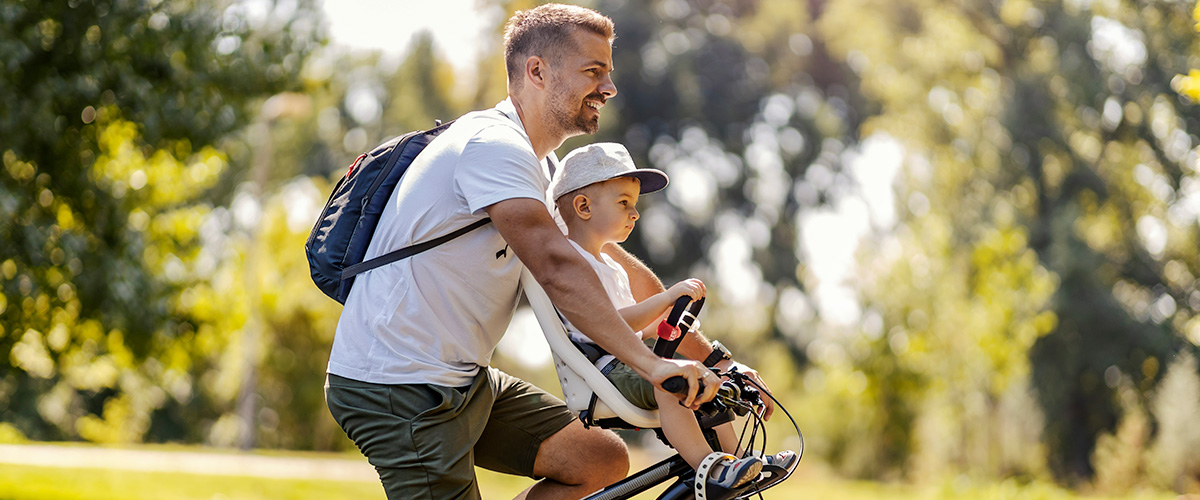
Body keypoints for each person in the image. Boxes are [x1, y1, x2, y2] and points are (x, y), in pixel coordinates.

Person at [324, 4, 771, 500]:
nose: (609, 88)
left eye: (609, 73)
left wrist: (719, 362)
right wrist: (652, 366)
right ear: (537, 71)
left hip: (462, 380)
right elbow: (557, 268)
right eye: (593, 71)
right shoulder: (493, 148)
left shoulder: (541, 168)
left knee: (597, 458)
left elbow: (602, 259)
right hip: (398, 385)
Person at [550, 142, 797, 490]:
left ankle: (741, 461)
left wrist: (669, 320)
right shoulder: (572, 265)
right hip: (604, 372)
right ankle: (710, 470)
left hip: (628, 361)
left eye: (635, 206)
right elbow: (612, 323)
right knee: (674, 383)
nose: (635, 214)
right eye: (624, 204)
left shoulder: (610, 267)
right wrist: (666, 298)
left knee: (706, 379)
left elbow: (634, 325)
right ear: (583, 206)